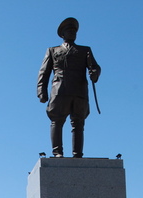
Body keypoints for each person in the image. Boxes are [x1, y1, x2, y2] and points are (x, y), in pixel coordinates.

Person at [37, 17, 101, 158]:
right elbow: (44, 72)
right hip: (59, 90)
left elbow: (95, 67)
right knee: (57, 121)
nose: (72, 33)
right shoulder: (53, 50)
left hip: (79, 91)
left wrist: (95, 73)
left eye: (74, 30)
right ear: (62, 34)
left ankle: (77, 154)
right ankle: (57, 152)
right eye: (69, 30)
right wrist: (41, 91)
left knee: (78, 123)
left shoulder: (85, 50)